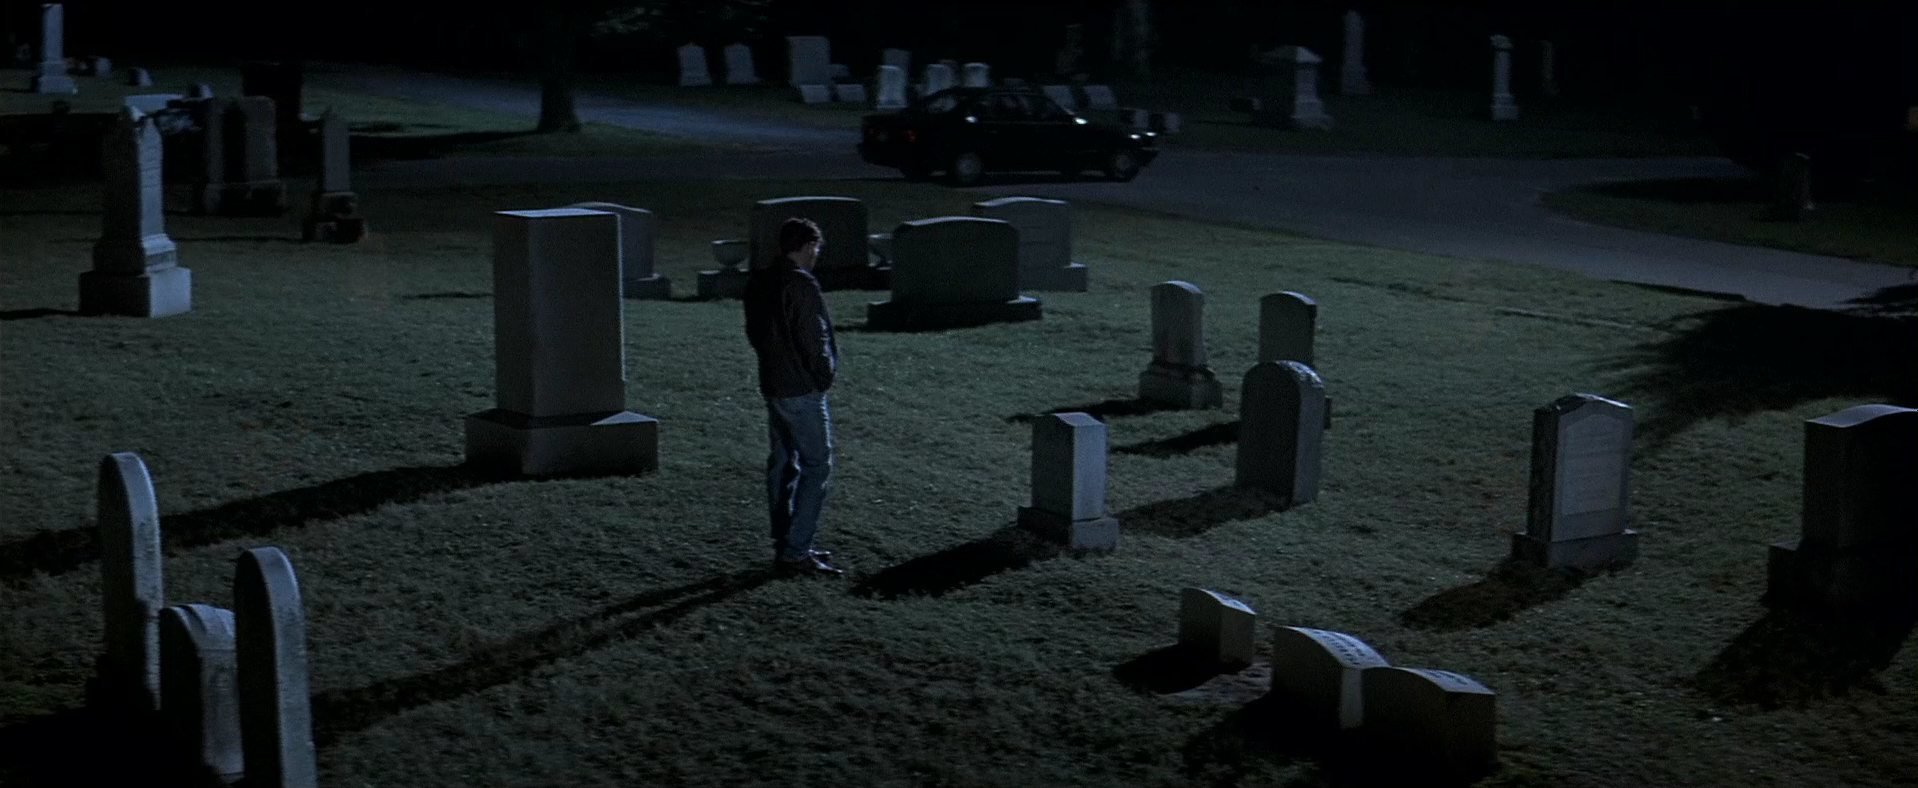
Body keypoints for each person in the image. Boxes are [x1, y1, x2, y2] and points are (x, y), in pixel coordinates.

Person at [743, 218, 845, 577]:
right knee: (817, 465)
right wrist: (823, 374)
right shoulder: (800, 284)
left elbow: (754, 333)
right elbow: (814, 337)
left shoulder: (761, 281)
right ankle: (796, 551)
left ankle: (785, 538)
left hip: (773, 383)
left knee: (783, 462)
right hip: (801, 388)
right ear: (807, 246)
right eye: (816, 249)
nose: (817, 256)